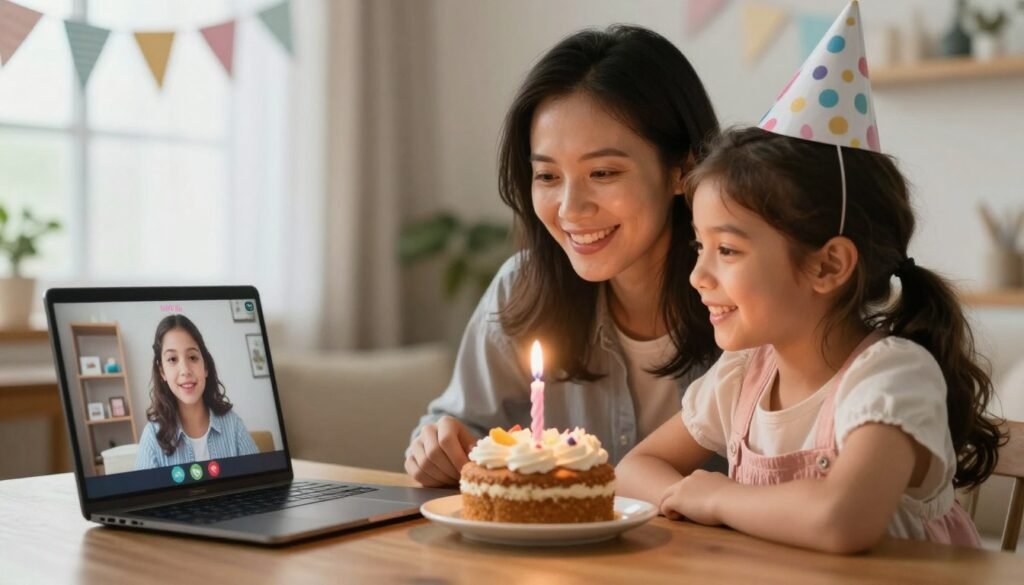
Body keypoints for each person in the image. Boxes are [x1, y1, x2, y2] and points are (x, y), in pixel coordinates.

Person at [405, 24, 724, 487]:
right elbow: (457, 428)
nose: (571, 209)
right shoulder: (522, 289)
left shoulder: (744, 297)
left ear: (683, 171)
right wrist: (437, 446)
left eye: (603, 171)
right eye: (548, 176)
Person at [135, 314, 259, 470]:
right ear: (162, 372)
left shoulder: (233, 425)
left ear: (205, 367)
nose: (185, 370)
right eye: (172, 359)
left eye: (193, 357)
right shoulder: (152, 437)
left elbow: (260, 482)